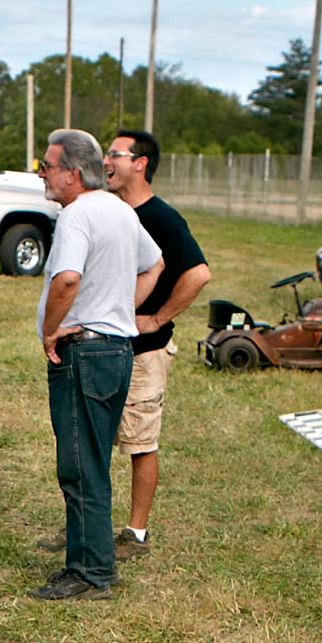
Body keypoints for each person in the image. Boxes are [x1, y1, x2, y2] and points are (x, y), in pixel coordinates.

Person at [31, 129, 162, 602]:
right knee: (94, 460)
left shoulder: (78, 215)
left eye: (47, 165)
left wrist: (50, 330)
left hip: (84, 352)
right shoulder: (119, 210)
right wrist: (121, 309)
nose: (41, 173)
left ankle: (90, 573)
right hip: (116, 350)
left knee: (79, 464)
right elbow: (155, 264)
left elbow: (67, 279)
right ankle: (94, 559)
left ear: (72, 172)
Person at [102, 129, 210, 558]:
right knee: (96, 441)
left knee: (139, 442)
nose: (107, 161)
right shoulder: (110, 210)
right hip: (105, 348)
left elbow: (198, 274)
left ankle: (136, 534)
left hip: (144, 354)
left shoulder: (162, 217)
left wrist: (156, 319)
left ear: (140, 163)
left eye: (115, 154)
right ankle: (92, 526)